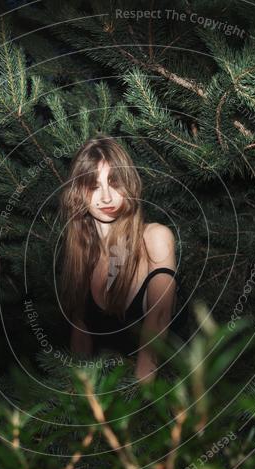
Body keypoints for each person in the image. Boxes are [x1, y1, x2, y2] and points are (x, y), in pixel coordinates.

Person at [59, 135, 177, 384]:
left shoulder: (154, 238)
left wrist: (136, 406)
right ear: (78, 193)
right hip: (104, 399)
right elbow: (80, 338)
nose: (106, 197)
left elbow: (159, 321)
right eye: (93, 186)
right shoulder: (82, 255)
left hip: (162, 398)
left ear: (129, 185)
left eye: (115, 183)